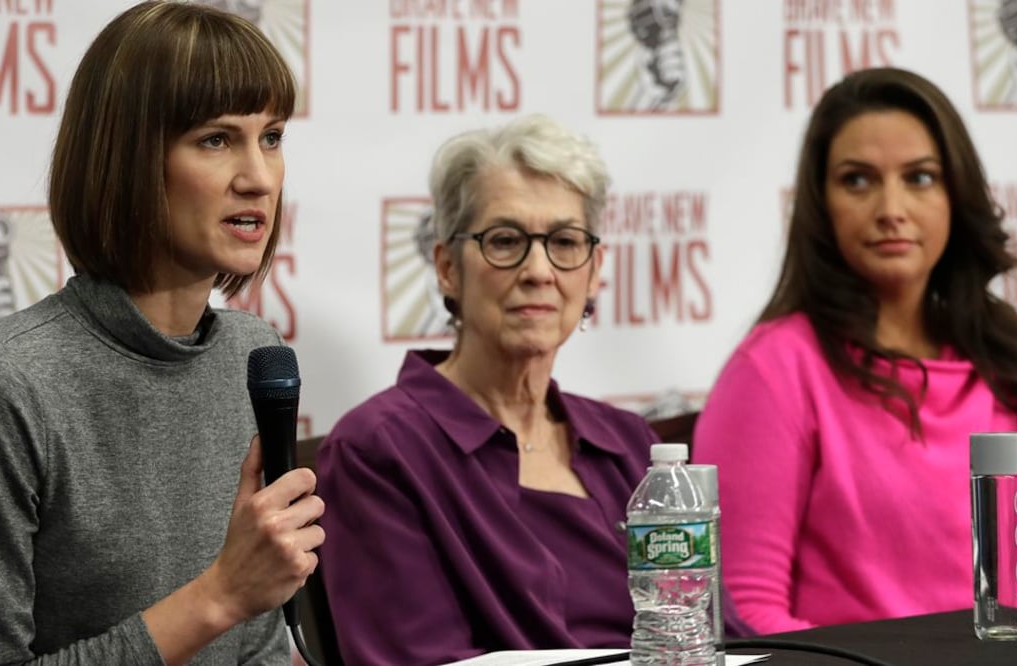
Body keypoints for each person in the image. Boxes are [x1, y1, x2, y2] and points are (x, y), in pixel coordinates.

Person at [318, 114, 745, 665]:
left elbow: (724, 637)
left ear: (594, 271)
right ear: (448, 267)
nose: (539, 270)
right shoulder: (379, 449)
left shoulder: (630, 444)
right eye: (505, 241)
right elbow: (412, 657)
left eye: (565, 242)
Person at [0, 3, 324, 664]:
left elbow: (258, 644)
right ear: (127, 157)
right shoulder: (12, 382)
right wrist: (220, 595)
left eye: (273, 136)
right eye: (216, 139)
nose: (259, 177)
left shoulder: (253, 352)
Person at [691, 66, 1017, 635]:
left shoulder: (1009, 352)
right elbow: (743, 612)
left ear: (955, 193)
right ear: (821, 203)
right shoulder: (774, 370)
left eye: (919, 178)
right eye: (858, 180)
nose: (891, 208)